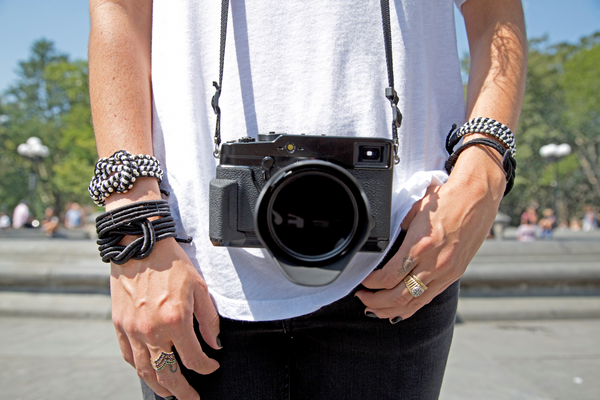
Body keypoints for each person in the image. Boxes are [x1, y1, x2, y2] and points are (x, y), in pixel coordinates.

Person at [88, 1, 526, 399]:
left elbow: (496, 12)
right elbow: (119, 10)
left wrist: (482, 176)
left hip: (404, 250)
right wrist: (134, 228)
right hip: (193, 268)